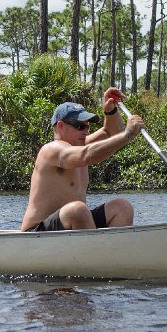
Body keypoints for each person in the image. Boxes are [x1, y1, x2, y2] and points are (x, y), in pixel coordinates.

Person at [21, 87, 145, 232]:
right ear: (60, 126)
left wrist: (110, 111)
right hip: (38, 232)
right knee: (77, 209)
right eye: (80, 126)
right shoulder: (51, 150)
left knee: (122, 207)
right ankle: (95, 246)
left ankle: (110, 247)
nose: (86, 131)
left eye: (87, 126)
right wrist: (128, 134)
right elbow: (86, 155)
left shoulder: (80, 145)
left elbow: (111, 133)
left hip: (74, 226)